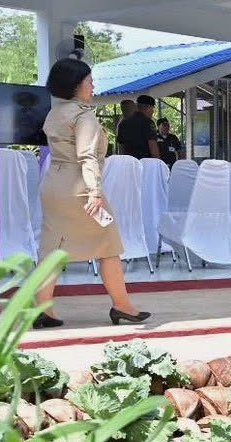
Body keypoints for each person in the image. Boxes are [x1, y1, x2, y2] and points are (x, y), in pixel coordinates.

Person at [33, 58, 150, 329]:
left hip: (53, 185)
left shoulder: (54, 113)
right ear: (76, 84)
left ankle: (42, 309)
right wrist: (94, 192)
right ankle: (122, 306)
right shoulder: (82, 115)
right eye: (89, 81)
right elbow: (87, 157)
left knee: (52, 248)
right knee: (108, 244)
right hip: (80, 189)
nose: (93, 85)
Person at [115, 94, 159, 159]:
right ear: (148, 107)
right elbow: (153, 147)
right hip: (144, 162)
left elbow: (121, 148)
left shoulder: (122, 123)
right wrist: (158, 162)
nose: (153, 112)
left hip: (129, 162)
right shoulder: (148, 122)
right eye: (152, 108)